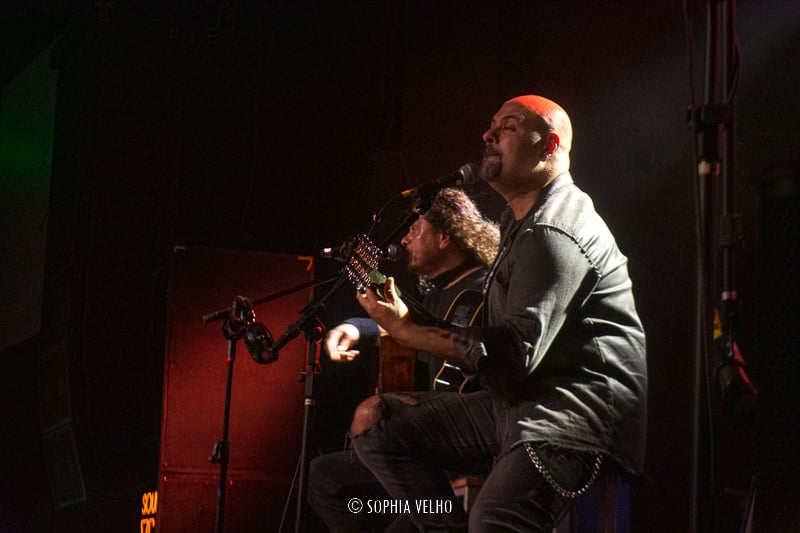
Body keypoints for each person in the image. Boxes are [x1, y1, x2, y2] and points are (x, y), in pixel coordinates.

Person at [349, 95, 648, 531]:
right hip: (520, 401)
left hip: (573, 414)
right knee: (375, 423)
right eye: (491, 125)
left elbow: (512, 352)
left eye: (508, 126)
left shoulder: (554, 232)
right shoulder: (519, 222)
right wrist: (397, 321)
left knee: (494, 518)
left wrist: (406, 329)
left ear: (549, 145)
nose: (487, 136)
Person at [308, 187, 500, 532]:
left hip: (453, 446)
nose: (406, 239)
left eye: (416, 228)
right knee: (325, 477)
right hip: (419, 444)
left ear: (444, 237)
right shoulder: (441, 290)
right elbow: (415, 323)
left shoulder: (476, 294)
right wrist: (357, 327)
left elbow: (450, 348)